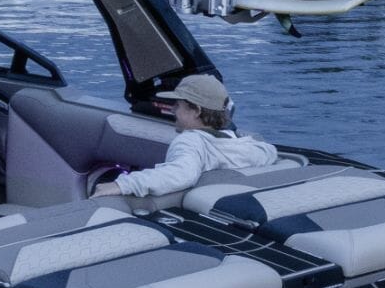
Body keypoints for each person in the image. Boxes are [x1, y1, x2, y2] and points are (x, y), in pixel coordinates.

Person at [91, 74, 279, 198]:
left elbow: (180, 175)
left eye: (178, 105)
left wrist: (122, 185)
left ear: (196, 111)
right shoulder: (236, 143)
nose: (172, 109)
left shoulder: (190, 141)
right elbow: (269, 152)